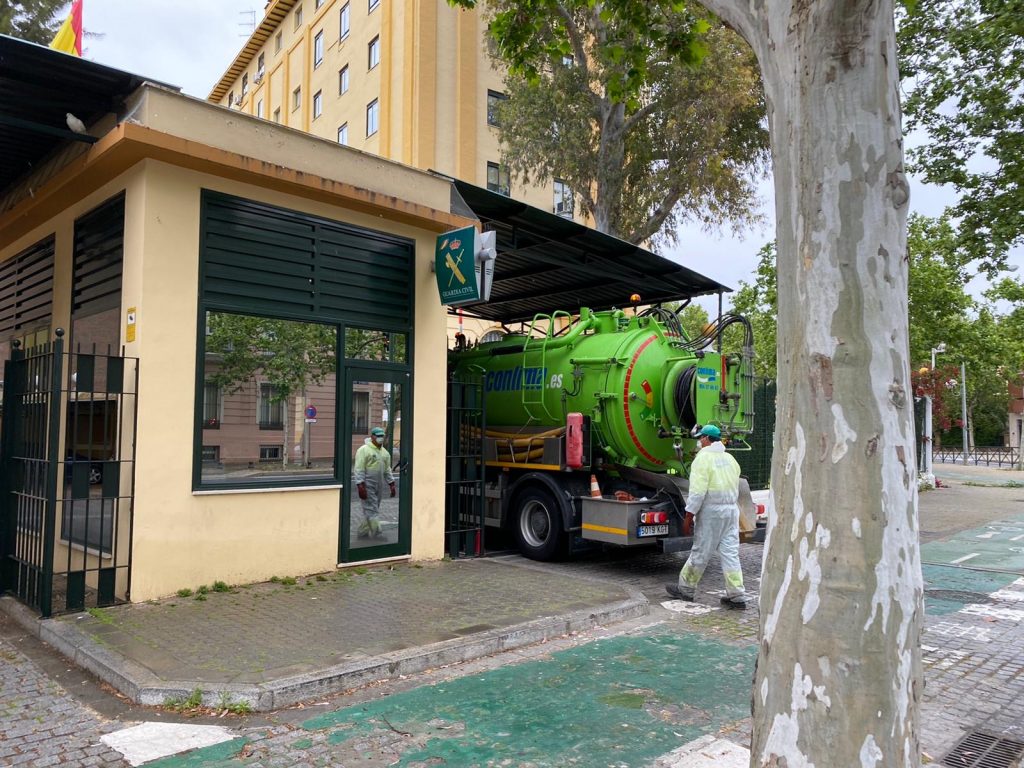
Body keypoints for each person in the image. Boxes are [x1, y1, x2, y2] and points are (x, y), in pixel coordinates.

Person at [665, 424, 747, 609]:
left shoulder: (702, 460)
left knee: (701, 551)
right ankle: (737, 595)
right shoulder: (730, 459)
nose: (699, 441)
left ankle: (685, 589)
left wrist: (688, 516)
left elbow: (697, 493)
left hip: (712, 513)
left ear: (707, 439)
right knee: (730, 553)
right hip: (730, 511)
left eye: (701, 438)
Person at [354, 426, 395, 538]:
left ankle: (362, 532)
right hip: (367, 484)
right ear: (372, 436)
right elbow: (359, 469)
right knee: (371, 509)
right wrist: (360, 485)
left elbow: (387, 470)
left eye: (382, 436)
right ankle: (377, 533)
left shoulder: (385, 453)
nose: (381, 438)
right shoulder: (364, 450)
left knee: (372, 508)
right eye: (378, 436)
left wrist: (391, 483)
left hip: (379, 485)